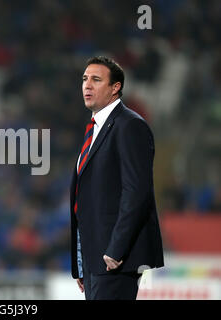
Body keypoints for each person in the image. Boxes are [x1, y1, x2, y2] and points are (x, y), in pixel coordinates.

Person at [69, 56, 164, 300]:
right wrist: (82, 260)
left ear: (115, 88)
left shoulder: (129, 126)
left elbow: (137, 192)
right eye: (85, 79)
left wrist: (116, 250)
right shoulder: (96, 128)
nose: (87, 85)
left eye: (96, 80)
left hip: (115, 258)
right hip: (95, 259)